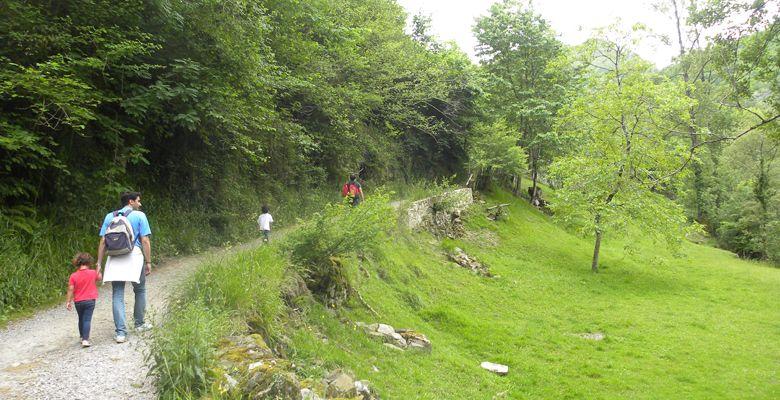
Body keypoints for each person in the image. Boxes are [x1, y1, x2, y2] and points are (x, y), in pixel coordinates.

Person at [96, 191, 152, 343]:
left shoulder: (110, 216)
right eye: (138, 201)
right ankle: (139, 324)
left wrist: (99, 263)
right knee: (140, 289)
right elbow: (145, 240)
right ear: (130, 202)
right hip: (134, 255)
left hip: (115, 256)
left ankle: (121, 333)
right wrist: (148, 262)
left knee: (117, 293)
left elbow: (103, 241)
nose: (140, 204)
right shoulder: (140, 216)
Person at [66, 252, 102, 347]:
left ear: (77, 263)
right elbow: (99, 278)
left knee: (81, 318)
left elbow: (70, 289)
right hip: (90, 300)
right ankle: (85, 340)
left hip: (78, 301)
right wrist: (98, 270)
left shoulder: (73, 275)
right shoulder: (93, 273)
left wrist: (68, 301)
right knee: (87, 320)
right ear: (89, 262)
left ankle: (82, 336)